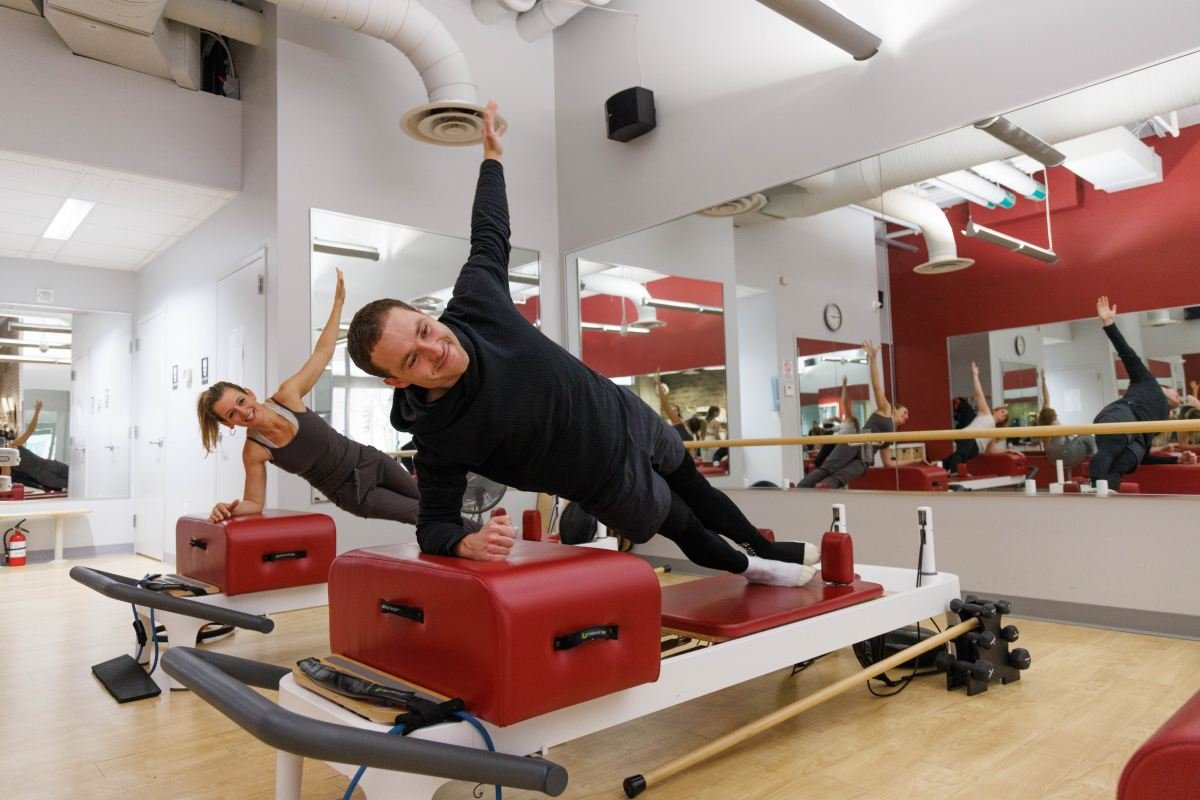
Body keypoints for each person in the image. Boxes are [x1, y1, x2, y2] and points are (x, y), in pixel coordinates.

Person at [345, 101, 817, 587]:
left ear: (425, 315)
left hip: (622, 411)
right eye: (413, 359)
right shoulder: (439, 439)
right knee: (685, 525)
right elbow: (433, 526)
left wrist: (491, 158)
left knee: (695, 487)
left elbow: (490, 230)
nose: (435, 349)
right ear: (396, 380)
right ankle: (756, 569)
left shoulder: (475, 301)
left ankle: (764, 545)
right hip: (604, 479)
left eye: (424, 330)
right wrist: (465, 542)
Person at [197, 269, 447, 529]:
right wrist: (227, 508)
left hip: (371, 460)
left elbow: (323, 351)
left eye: (240, 401)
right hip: (352, 493)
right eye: (232, 415)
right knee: (421, 513)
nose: (243, 412)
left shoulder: (287, 396)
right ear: (229, 425)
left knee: (434, 505)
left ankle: (484, 550)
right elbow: (253, 503)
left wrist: (338, 303)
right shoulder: (254, 451)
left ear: (248, 393)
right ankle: (489, 548)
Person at [1089, 296, 1183, 489]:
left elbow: (1145, 457)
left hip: (1138, 436)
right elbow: (1127, 354)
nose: (1180, 397)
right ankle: (1095, 489)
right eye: (1178, 393)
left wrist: (1177, 461)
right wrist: (1109, 324)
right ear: (1164, 388)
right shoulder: (1147, 381)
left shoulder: (1164, 416)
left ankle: (1108, 495)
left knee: (1124, 464)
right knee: (1112, 447)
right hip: (1124, 414)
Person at [799, 339, 904, 488]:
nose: (906, 417)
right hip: (854, 444)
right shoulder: (886, 409)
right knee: (827, 469)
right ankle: (798, 490)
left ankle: (821, 492)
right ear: (895, 409)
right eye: (904, 412)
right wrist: (873, 360)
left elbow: (888, 462)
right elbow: (876, 386)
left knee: (837, 479)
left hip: (865, 458)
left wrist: (916, 461)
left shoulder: (892, 433)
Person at [943, 361, 1009, 474]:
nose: (1003, 415)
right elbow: (979, 394)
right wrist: (975, 375)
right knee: (960, 455)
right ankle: (954, 472)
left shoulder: (994, 432)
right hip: (968, 437)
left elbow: (991, 451)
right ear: (996, 410)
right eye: (1003, 411)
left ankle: (941, 466)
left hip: (976, 449)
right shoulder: (986, 412)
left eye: (1005, 416)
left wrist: (1008, 451)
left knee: (956, 457)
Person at [1037, 367, 1097, 467]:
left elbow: (1046, 398)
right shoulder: (1051, 427)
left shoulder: (1044, 417)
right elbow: (1051, 444)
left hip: (1059, 448)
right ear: (1051, 417)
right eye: (1055, 415)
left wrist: (1043, 380)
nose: (1056, 416)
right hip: (1061, 449)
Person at [4, 400, 69, 491]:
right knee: (76, 484)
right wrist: (37, 411)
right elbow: (6, 479)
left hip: (48, 467)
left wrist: (37, 411)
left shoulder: (14, 446)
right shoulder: (8, 457)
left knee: (78, 477)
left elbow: (30, 430)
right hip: (46, 472)